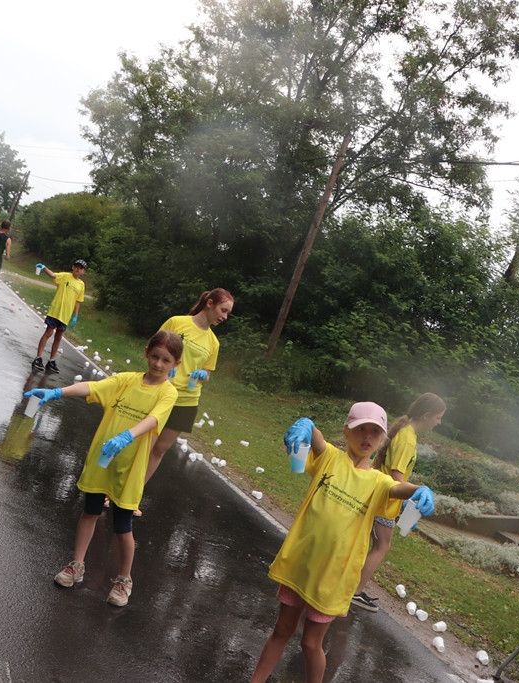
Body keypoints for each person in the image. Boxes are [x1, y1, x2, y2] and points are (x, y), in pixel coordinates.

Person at [249, 403, 436, 683]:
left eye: (375, 432)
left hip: (334, 578)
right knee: (282, 630)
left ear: (382, 440)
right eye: (361, 428)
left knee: (311, 644)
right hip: (299, 565)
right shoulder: (330, 459)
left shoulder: (378, 482)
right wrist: (307, 424)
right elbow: (317, 440)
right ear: (346, 432)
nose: (367, 436)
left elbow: (398, 489)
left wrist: (420, 489)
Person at [25, 330, 182, 607]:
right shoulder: (126, 381)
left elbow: (155, 419)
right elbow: (92, 388)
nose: (158, 364)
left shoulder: (168, 392)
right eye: (155, 356)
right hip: (103, 461)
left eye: (165, 360)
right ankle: (76, 565)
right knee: (90, 511)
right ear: (146, 352)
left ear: (175, 364)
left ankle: (124, 579)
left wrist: (127, 436)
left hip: (129, 468)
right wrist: (57, 391)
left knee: (123, 526)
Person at [350, 392, 447, 612]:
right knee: (382, 546)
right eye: (438, 417)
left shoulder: (406, 432)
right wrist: (410, 500)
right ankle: (354, 592)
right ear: (426, 415)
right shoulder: (407, 438)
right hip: (385, 500)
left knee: (369, 543)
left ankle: (351, 586)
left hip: (383, 497)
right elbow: (396, 477)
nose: (439, 422)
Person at [143, 288, 234, 491]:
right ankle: (116, 492)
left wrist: (203, 376)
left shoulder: (213, 342)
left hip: (187, 401)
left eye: (227, 312)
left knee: (159, 451)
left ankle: (132, 497)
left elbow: (207, 374)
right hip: (161, 391)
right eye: (223, 310)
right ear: (209, 303)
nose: (225, 316)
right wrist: (164, 371)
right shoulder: (177, 322)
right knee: (143, 446)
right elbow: (153, 349)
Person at [30, 259, 87, 374]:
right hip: (56, 311)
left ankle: (52, 360)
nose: (77, 269)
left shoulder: (81, 285)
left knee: (58, 337)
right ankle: (38, 358)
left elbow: (78, 301)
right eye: (76, 266)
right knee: (49, 333)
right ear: (72, 267)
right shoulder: (65, 276)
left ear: (83, 272)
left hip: (66, 315)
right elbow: (53, 275)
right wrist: (44, 267)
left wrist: (75, 315)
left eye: (80, 268)